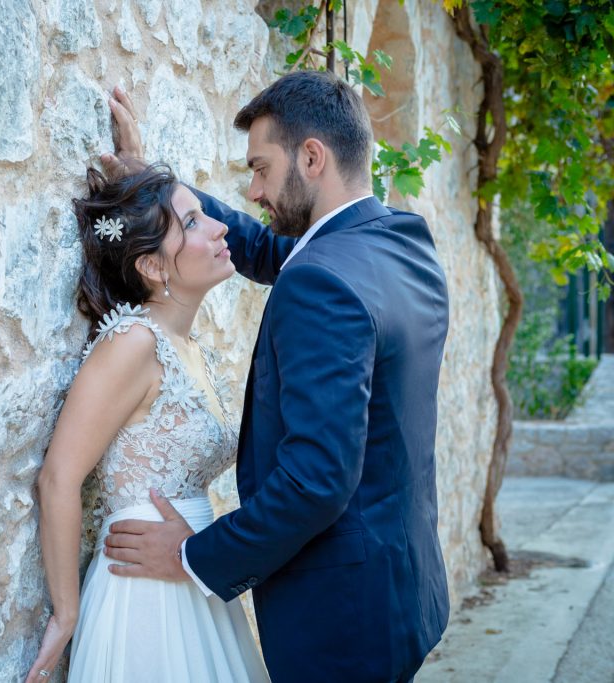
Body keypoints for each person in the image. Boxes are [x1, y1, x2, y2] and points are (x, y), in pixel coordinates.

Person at [101, 71, 451, 683]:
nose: (256, 189)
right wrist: (154, 184)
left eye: (261, 168)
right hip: (404, 588)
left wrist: (192, 556)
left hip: (341, 622)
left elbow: (316, 481)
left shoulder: (322, 281)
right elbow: (266, 249)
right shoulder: (400, 244)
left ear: (312, 157)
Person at [25, 164, 270, 682]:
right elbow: (59, 477)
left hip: (195, 577)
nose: (222, 228)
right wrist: (65, 613)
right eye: (195, 222)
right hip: (144, 598)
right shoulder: (132, 344)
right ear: (154, 268)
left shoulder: (188, 349)